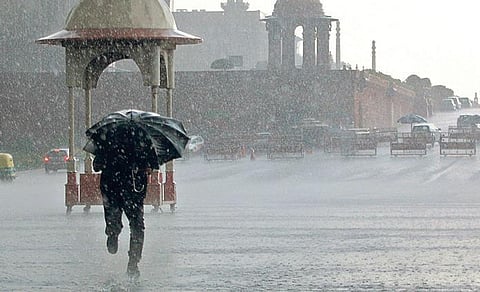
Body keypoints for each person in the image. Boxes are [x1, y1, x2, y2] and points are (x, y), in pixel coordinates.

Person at [93, 125, 159, 278]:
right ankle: (134, 262)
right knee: (137, 225)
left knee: (113, 215)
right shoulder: (145, 139)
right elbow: (152, 165)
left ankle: (113, 233)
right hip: (134, 189)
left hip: (111, 187)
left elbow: (97, 165)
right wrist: (142, 167)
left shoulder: (108, 137)